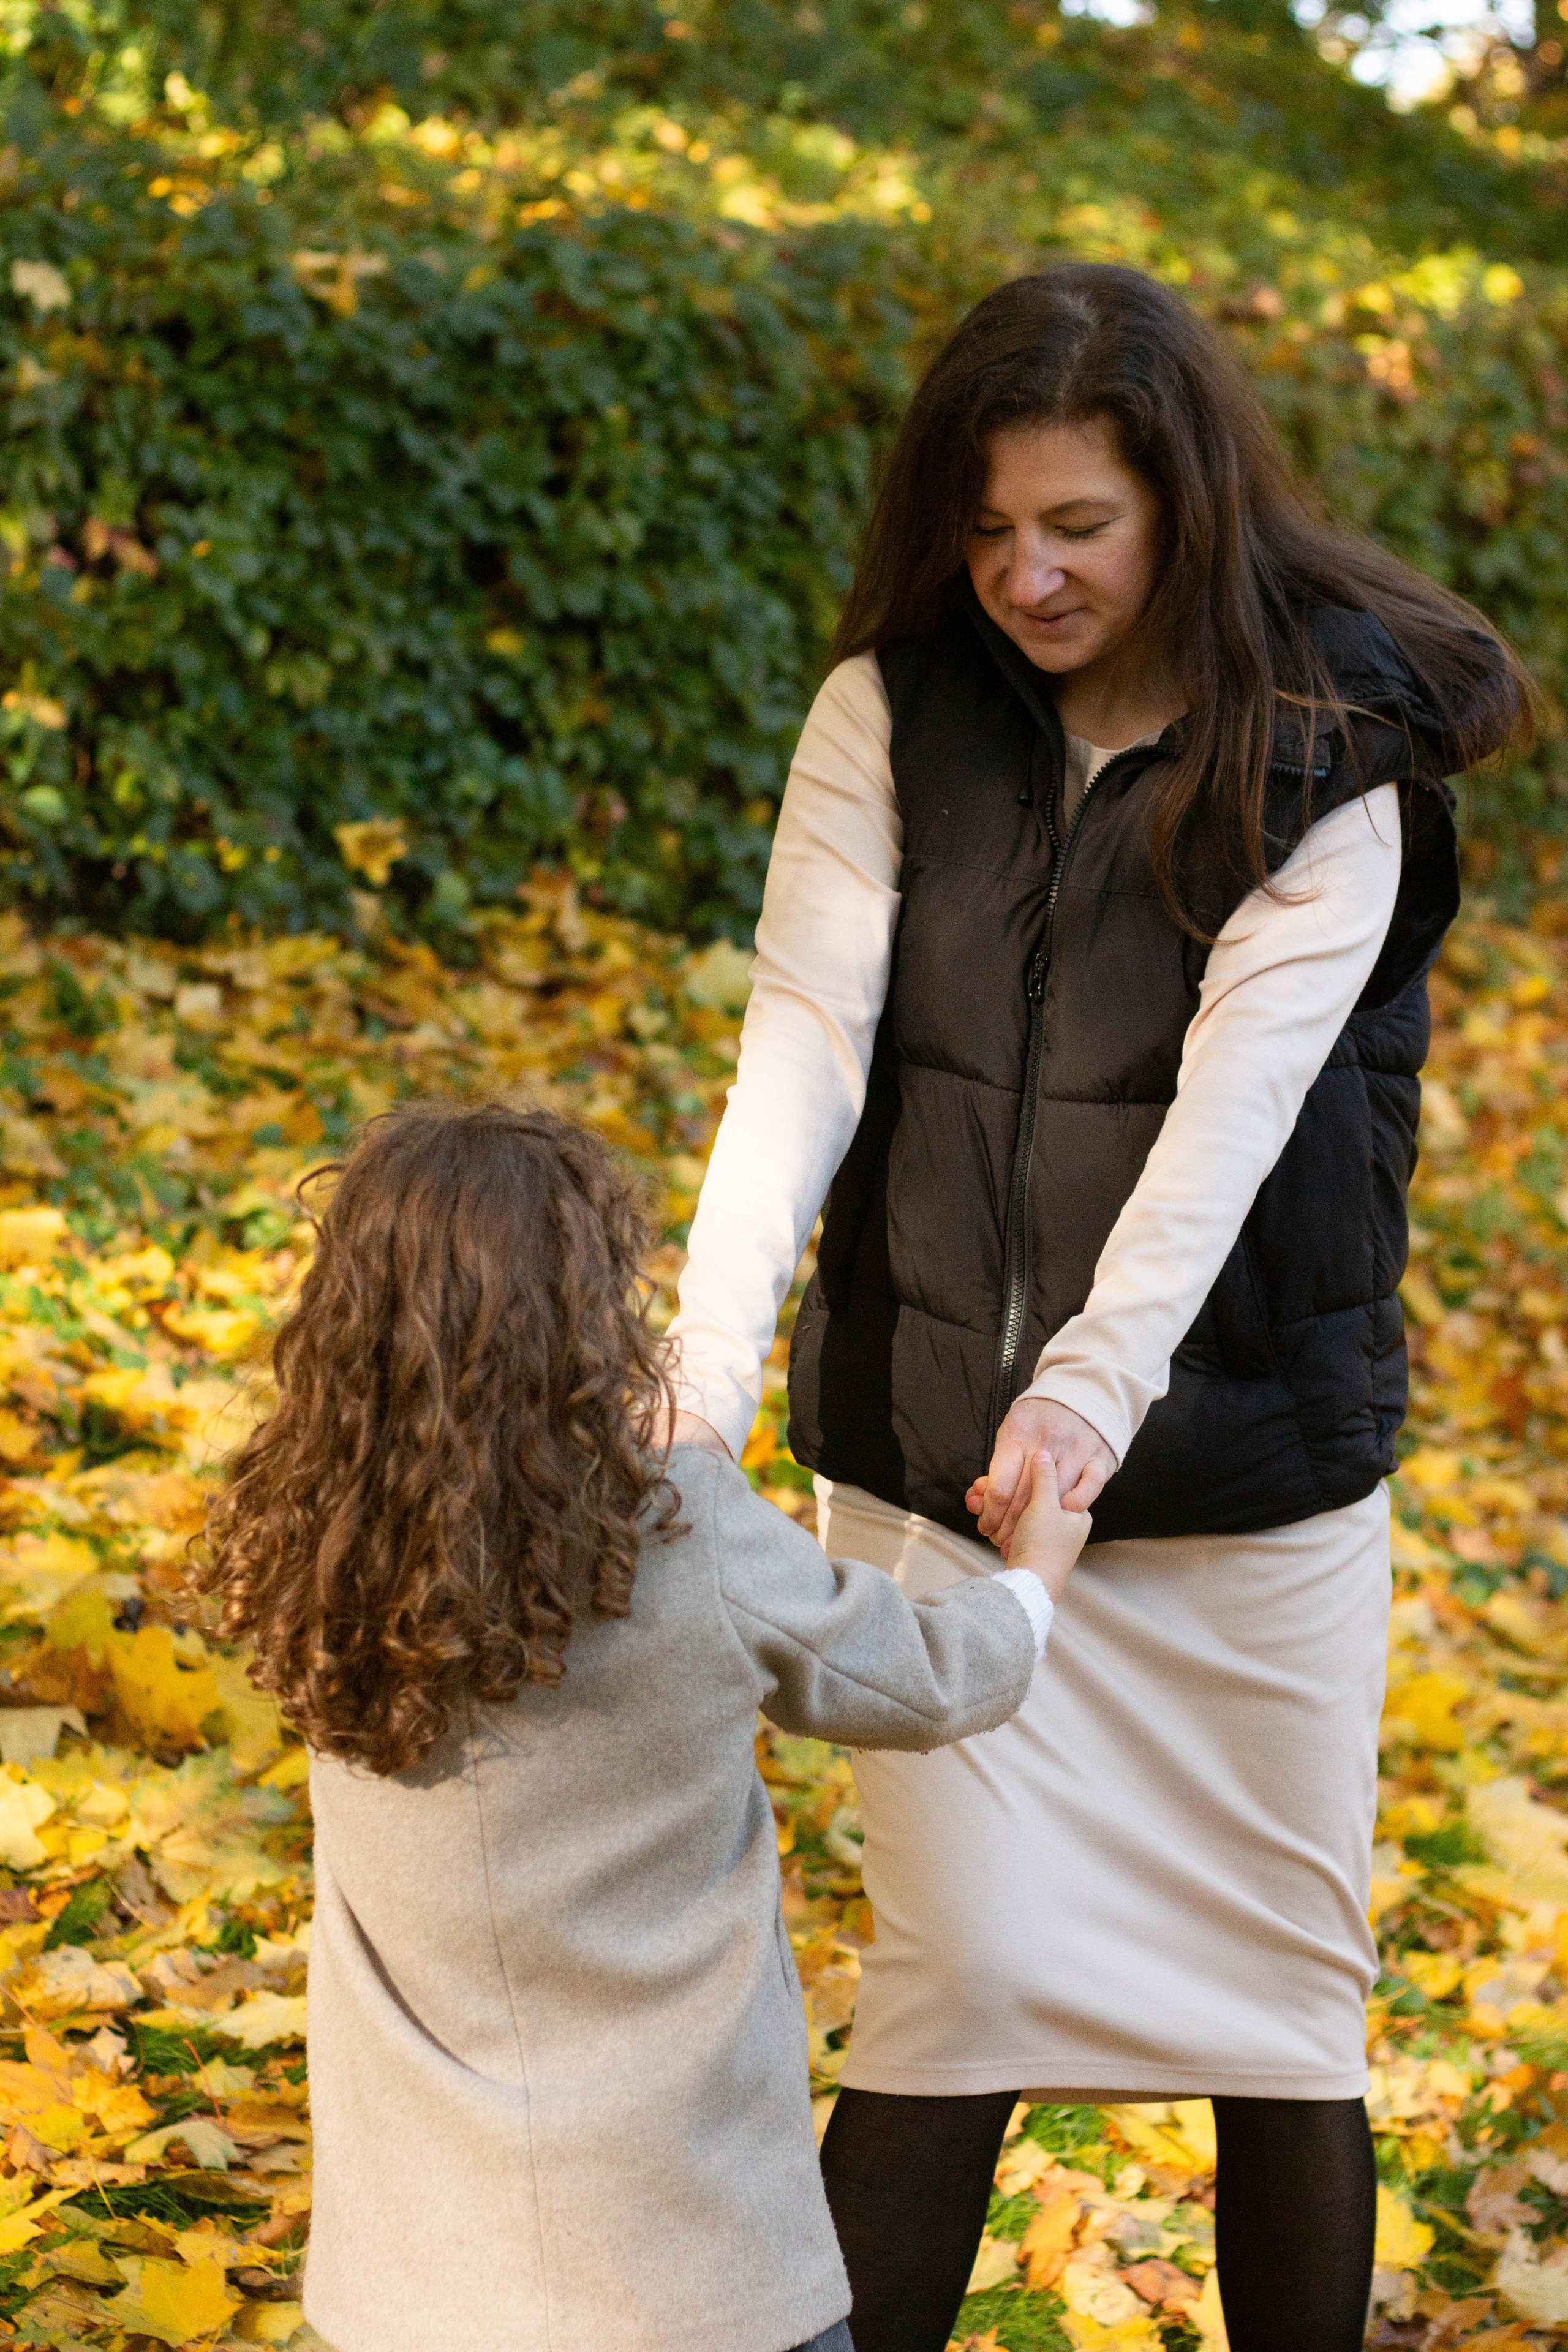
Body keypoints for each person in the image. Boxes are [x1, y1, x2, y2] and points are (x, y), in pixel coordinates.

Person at [668, 262, 1534, 2352]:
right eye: (987, 528)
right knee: (953, 1996)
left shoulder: (1334, 756)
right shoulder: (893, 713)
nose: (1025, 576)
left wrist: (1085, 1398)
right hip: (940, 1485)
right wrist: (697, 1380)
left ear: (1188, 507)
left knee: (1280, 2017)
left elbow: (1234, 1117)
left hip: (1244, 1501)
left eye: (1079, 525)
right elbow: (803, 1047)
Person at [192, 1098, 1089, 2352]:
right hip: (689, 2268)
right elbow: (925, 1680)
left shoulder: (327, 1545)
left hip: (416, 2283)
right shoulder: (675, 1525)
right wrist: (1035, 1577)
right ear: (586, 1313)